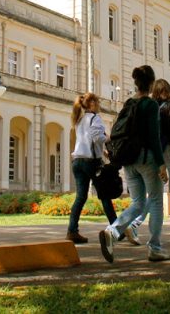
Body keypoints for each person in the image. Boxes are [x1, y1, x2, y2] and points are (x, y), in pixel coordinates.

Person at [99, 65, 170, 263]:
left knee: (138, 203)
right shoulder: (150, 105)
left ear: (136, 83)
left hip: (128, 160)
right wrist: (161, 163)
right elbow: (154, 137)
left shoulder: (129, 103)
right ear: (151, 84)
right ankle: (155, 248)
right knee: (156, 201)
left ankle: (112, 232)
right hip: (146, 158)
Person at [126, 79, 170, 244]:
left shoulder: (152, 107)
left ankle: (135, 223)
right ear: (169, 90)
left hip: (155, 151)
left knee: (156, 193)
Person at [66, 92, 118, 244]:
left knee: (80, 197)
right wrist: (108, 138)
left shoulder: (80, 119)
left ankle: (72, 231)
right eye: (97, 102)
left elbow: (87, 140)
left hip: (77, 161)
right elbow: (97, 137)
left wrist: (102, 151)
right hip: (91, 162)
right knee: (105, 195)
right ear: (92, 104)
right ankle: (116, 230)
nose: (99, 105)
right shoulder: (96, 118)